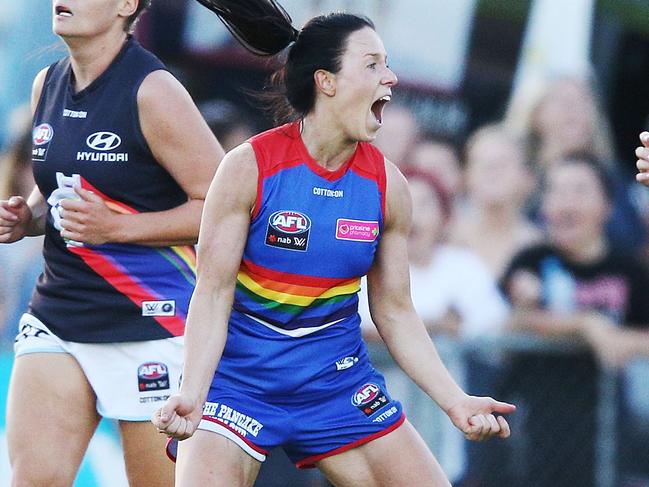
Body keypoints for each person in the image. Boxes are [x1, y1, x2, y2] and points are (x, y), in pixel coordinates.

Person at [152, 2, 515, 486]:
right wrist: (192, 393)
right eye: (373, 64)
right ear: (327, 81)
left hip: (335, 384)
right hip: (238, 385)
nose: (391, 77)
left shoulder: (389, 187)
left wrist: (456, 402)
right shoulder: (248, 167)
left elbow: (396, 311)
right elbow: (213, 293)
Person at [0, 1, 223, 485]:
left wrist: (116, 230)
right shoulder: (47, 84)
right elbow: (63, 181)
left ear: (126, 6)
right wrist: (30, 216)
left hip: (150, 326)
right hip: (58, 314)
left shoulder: (155, 90)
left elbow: (223, 206)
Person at [500, 154, 649, 486]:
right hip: (535, 431)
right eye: (556, 191)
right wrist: (585, 325)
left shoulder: (630, 271)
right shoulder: (530, 262)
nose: (566, 203)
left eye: (579, 191)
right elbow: (506, 325)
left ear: (607, 206)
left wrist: (626, 341)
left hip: (610, 431)